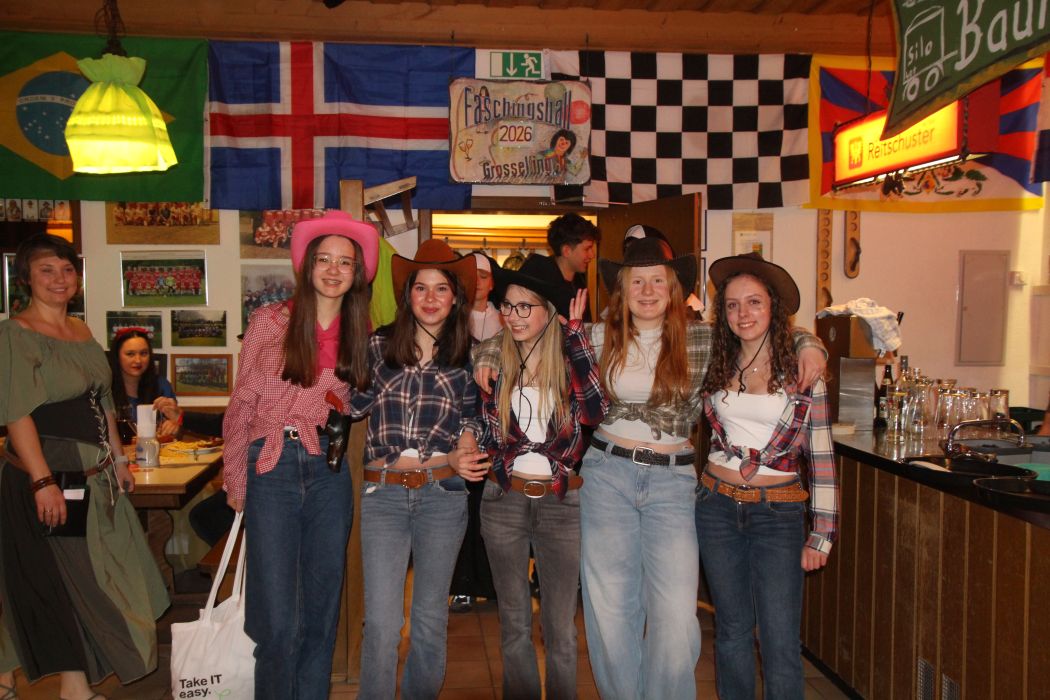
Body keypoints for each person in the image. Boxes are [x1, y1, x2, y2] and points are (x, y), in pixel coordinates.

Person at [580, 237, 825, 699]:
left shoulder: (701, 338)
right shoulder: (594, 337)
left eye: (658, 280)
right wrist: (489, 356)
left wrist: (811, 344)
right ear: (622, 289)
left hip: (672, 481)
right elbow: (529, 341)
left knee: (676, 616)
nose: (647, 291)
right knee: (610, 609)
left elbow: (760, 331)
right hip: (607, 473)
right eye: (637, 281)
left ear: (674, 288)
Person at [0, 233, 168, 700]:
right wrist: (42, 481)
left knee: (87, 573)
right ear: (26, 278)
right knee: (68, 577)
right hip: (51, 471)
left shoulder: (81, 331)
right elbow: (17, 413)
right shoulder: (15, 334)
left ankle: (59, 682)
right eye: (46, 270)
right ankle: (67, 684)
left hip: (94, 474)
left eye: (67, 269)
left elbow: (103, 402)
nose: (59, 279)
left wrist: (119, 459)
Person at [222, 210, 378, 700]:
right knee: (276, 619)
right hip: (271, 466)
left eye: (345, 262)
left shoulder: (362, 331)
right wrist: (235, 477)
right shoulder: (270, 320)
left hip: (328, 469)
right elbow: (242, 402)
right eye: (324, 259)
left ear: (357, 273)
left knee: (321, 609)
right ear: (307, 265)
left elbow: (364, 399)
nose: (334, 270)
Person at [351, 240, 491, 699]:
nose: (430, 298)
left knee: (430, 618)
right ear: (408, 294)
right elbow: (352, 407)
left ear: (455, 298)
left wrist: (466, 439)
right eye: (421, 288)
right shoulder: (377, 345)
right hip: (384, 495)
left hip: (442, 494)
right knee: (382, 621)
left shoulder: (471, 355)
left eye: (441, 288)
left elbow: (475, 416)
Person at [696, 253, 838, 699]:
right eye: (733, 304)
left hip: (778, 512)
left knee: (779, 639)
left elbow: (821, 456)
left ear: (774, 307)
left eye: (754, 302)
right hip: (716, 506)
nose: (743, 313)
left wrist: (823, 533)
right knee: (732, 630)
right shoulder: (715, 359)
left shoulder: (803, 368)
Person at [475, 256, 607, 699]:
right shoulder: (495, 358)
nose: (513, 316)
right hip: (503, 499)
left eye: (524, 307)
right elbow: (483, 425)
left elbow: (595, 411)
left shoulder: (570, 358)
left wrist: (576, 335)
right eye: (507, 306)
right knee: (513, 621)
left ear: (549, 311)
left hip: (560, 502)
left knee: (560, 626)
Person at [449, 251, 502, 614]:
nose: (478, 282)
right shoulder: (453, 319)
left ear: (492, 281)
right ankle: (463, 584)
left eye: (484, 275)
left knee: (494, 508)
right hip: (463, 423)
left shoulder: (508, 318)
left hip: (500, 428)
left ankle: (496, 584)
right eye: (472, 276)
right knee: (463, 506)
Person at [107, 328, 180, 439]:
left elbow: (177, 432)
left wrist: (175, 425)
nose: (138, 360)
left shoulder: (162, 386)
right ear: (117, 356)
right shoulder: (106, 389)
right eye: (130, 354)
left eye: (143, 353)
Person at [527, 213, 599, 322]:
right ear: (566, 251)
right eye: (587, 249)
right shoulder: (537, 280)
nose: (592, 255)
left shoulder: (579, 283)